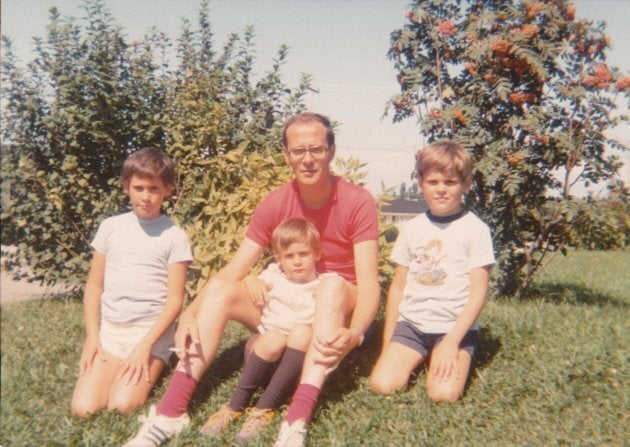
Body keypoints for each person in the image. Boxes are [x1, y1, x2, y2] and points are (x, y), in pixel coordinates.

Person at [123, 112, 380, 447]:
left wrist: (356, 333)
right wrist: (191, 312)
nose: (307, 159)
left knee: (331, 283)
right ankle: (170, 413)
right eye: (298, 151)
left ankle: (296, 422)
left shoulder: (357, 200)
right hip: (288, 302)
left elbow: (369, 282)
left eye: (316, 149)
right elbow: (233, 269)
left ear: (331, 151)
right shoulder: (276, 202)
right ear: (287, 155)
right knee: (221, 288)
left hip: (334, 305)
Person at [369, 141, 495, 403]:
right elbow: (397, 289)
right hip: (412, 326)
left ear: (466, 184)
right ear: (421, 183)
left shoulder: (476, 230)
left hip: (453, 328)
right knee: (382, 384)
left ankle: (447, 352)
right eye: (433, 182)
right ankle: (420, 353)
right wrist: (388, 342)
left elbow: (478, 294)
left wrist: (451, 342)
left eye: (449, 183)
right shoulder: (412, 228)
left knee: (443, 394)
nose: (441, 190)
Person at [71, 147, 192, 419]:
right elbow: (94, 287)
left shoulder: (174, 237)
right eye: (139, 188)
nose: (146, 197)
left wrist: (144, 346)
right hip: (112, 331)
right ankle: (116, 366)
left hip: (150, 333)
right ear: (127, 187)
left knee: (122, 405)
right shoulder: (111, 227)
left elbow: (175, 300)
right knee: (84, 408)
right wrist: (93, 336)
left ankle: (161, 358)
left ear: (167, 190)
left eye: (153, 188)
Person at [202, 217, 335, 445]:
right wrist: (252, 279)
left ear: (317, 254)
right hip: (264, 352)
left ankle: (264, 407)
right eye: (289, 256)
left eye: (303, 254)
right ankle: (235, 404)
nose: (297, 262)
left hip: (296, 359)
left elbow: (336, 299)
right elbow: (248, 284)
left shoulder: (323, 284)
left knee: (303, 332)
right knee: (272, 338)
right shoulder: (272, 276)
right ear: (278, 259)